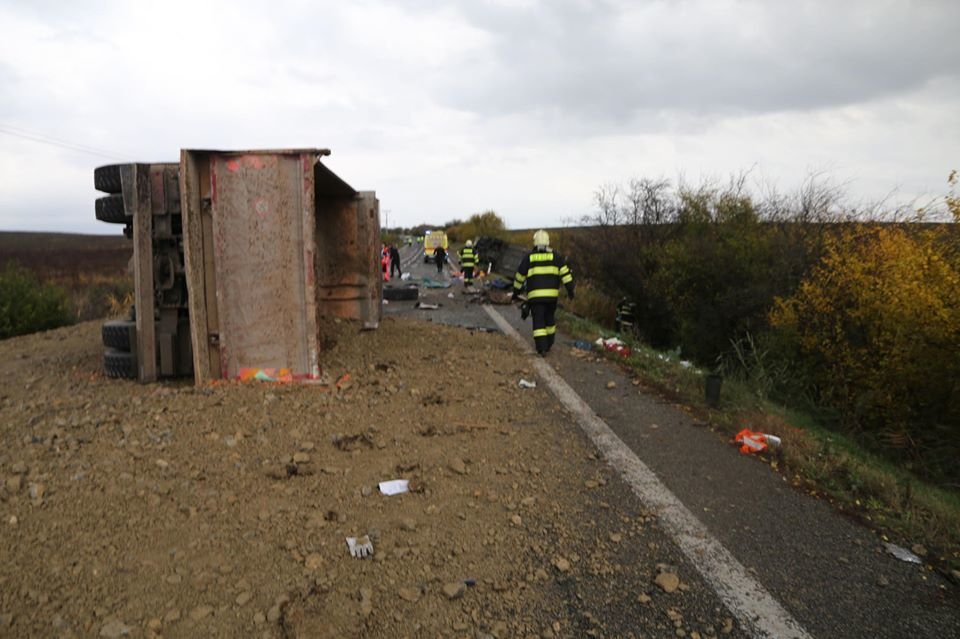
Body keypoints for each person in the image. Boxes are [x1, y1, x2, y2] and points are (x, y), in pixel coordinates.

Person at [512, 230, 574, 356]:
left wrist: (516, 291)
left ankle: (542, 348)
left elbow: (520, 276)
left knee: (538, 320)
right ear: (547, 242)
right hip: (551, 297)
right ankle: (549, 343)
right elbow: (566, 274)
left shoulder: (529, 257)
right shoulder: (556, 257)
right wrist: (570, 289)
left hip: (535, 297)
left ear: (535, 242)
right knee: (549, 319)